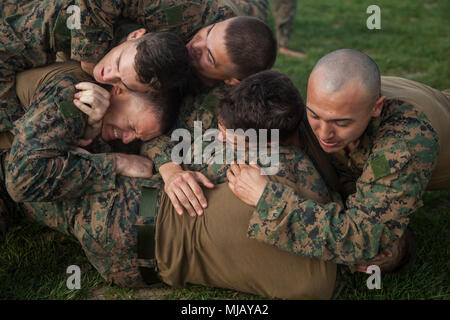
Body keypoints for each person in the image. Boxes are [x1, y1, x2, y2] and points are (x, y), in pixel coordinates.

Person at [0, 69, 339, 299]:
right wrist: (171, 169)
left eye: (232, 138)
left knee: (28, 172)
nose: (224, 139)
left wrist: (121, 158)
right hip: (130, 267)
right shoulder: (322, 270)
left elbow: (27, 178)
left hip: (128, 209)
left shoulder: (265, 164)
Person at [226, 49, 450, 273]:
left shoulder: (404, 142)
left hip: (433, 121)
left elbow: (362, 240)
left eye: (341, 123)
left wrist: (270, 202)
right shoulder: (335, 100)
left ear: (376, 107)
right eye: (314, 116)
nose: (324, 133)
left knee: (384, 249)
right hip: (431, 101)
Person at [140, 16, 277, 215]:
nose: (196, 45)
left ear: (232, 80)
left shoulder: (218, 109)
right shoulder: (191, 23)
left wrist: (171, 170)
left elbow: (155, 139)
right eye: (208, 32)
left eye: (209, 57)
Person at [0, 0, 192, 132]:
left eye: (121, 82)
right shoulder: (80, 21)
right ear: (135, 35)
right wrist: (16, 125)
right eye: (117, 62)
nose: (105, 76)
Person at [4, 60, 180, 204]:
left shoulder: (104, 114)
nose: (127, 140)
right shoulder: (75, 95)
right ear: (119, 90)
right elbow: (21, 181)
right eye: (132, 127)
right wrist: (117, 163)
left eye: (137, 137)